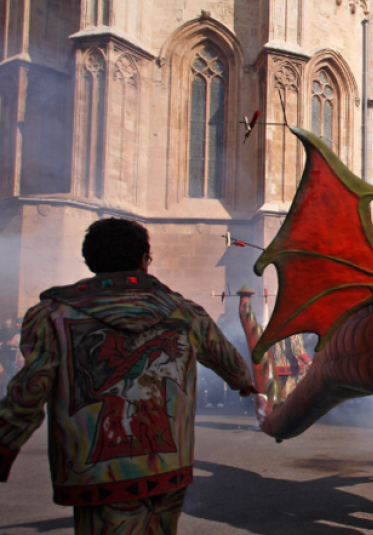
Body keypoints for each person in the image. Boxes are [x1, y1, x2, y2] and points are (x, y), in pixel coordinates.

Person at [0, 218, 256, 534]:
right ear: (143, 260)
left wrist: (5, 444)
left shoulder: (54, 314)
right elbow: (230, 362)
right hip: (166, 464)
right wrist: (243, 383)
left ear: (89, 260)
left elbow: (28, 392)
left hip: (98, 473)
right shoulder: (185, 311)